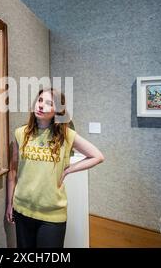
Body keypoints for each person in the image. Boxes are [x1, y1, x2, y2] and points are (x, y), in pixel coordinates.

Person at [6, 88, 105, 248]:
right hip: (22, 209)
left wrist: (69, 169)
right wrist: (10, 204)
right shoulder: (20, 133)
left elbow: (97, 156)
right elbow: (13, 170)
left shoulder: (66, 135)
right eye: (39, 101)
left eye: (48, 103)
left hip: (51, 214)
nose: (41, 106)